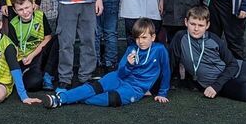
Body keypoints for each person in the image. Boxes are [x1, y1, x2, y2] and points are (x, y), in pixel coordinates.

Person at [41, 18, 169, 109]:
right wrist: (129, 64)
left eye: (144, 37)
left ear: (152, 37)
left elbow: (166, 72)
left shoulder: (160, 50)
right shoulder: (131, 49)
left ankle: (70, 97)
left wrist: (162, 93)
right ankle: (59, 99)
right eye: (137, 38)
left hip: (135, 88)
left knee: (112, 99)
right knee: (94, 88)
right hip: (118, 77)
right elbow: (121, 72)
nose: (140, 41)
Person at [7, 0, 56, 91]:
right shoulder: (13, 24)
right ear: (15, 10)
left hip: (39, 54)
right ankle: (38, 74)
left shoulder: (40, 15)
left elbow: (48, 38)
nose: (25, 12)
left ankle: (47, 74)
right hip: (25, 60)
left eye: (27, 7)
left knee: (57, 39)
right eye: (20, 9)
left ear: (33, 4)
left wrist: (32, 55)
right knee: (33, 84)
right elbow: (14, 48)